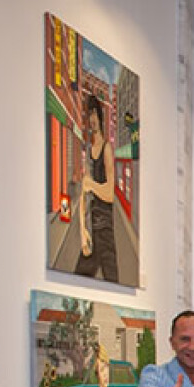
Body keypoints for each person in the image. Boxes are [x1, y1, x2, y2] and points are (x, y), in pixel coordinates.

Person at [76, 94, 118, 282]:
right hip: (92, 231)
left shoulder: (107, 149)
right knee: (78, 283)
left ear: (100, 116)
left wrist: (91, 185)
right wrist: (82, 231)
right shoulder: (88, 151)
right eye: (89, 114)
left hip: (105, 232)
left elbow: (110, 194)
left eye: (94, 113)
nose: (92, 119)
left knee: (113, 284)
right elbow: (83, 196)